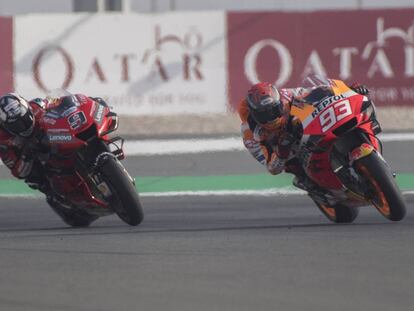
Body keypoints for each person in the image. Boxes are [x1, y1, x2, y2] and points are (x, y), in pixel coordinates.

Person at [238, 80, 369, 192]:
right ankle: (309, 183)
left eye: (274, 110)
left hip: (306, 128)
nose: (271, 117)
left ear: (279, 102)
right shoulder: (249, 134)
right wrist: (282, 152)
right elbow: (272, 168)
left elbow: (321, 90)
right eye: (264, 115)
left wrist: (349, 90)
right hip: (287, 150)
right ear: (254, 115)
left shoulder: (287, 96)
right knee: (292, 166)